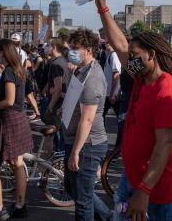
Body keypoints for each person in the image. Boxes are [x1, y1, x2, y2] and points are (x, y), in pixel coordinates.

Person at [96, 0, 172, 221]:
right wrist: (102, 7)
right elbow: (121, 46)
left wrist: (144, 191)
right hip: (131, 178)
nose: (130, 60)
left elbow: (164, 145)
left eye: (135, 56)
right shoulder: (140, 75)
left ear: (152, 55)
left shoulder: (168, 91)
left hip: (155, 191)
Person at [0, 39, 33, 220]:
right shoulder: (18, 69)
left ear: (3, 52)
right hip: (18, 118)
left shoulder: (9, 71)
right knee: (17, 163)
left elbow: (9, 100)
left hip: (9, 119)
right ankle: (20, 205)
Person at [64, 29, 112, 221]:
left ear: (89, 50)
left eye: (76, 48)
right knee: (73, 188)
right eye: (71, 48)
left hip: (88, 145)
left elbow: (87, 119)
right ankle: (107, 216)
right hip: (76, 140)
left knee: (82, 200)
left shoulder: (92, 77)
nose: (71, 52)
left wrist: (76, 151)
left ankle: (106, 216)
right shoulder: (81, 71)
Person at [103, 40, 122, 118]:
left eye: (108, 42)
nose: (106, 44)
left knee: (120, 117)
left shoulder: (114, 55)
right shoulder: (110, 55)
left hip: (112, 94)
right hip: (108, 93)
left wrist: (113, 93)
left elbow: (116, 74)